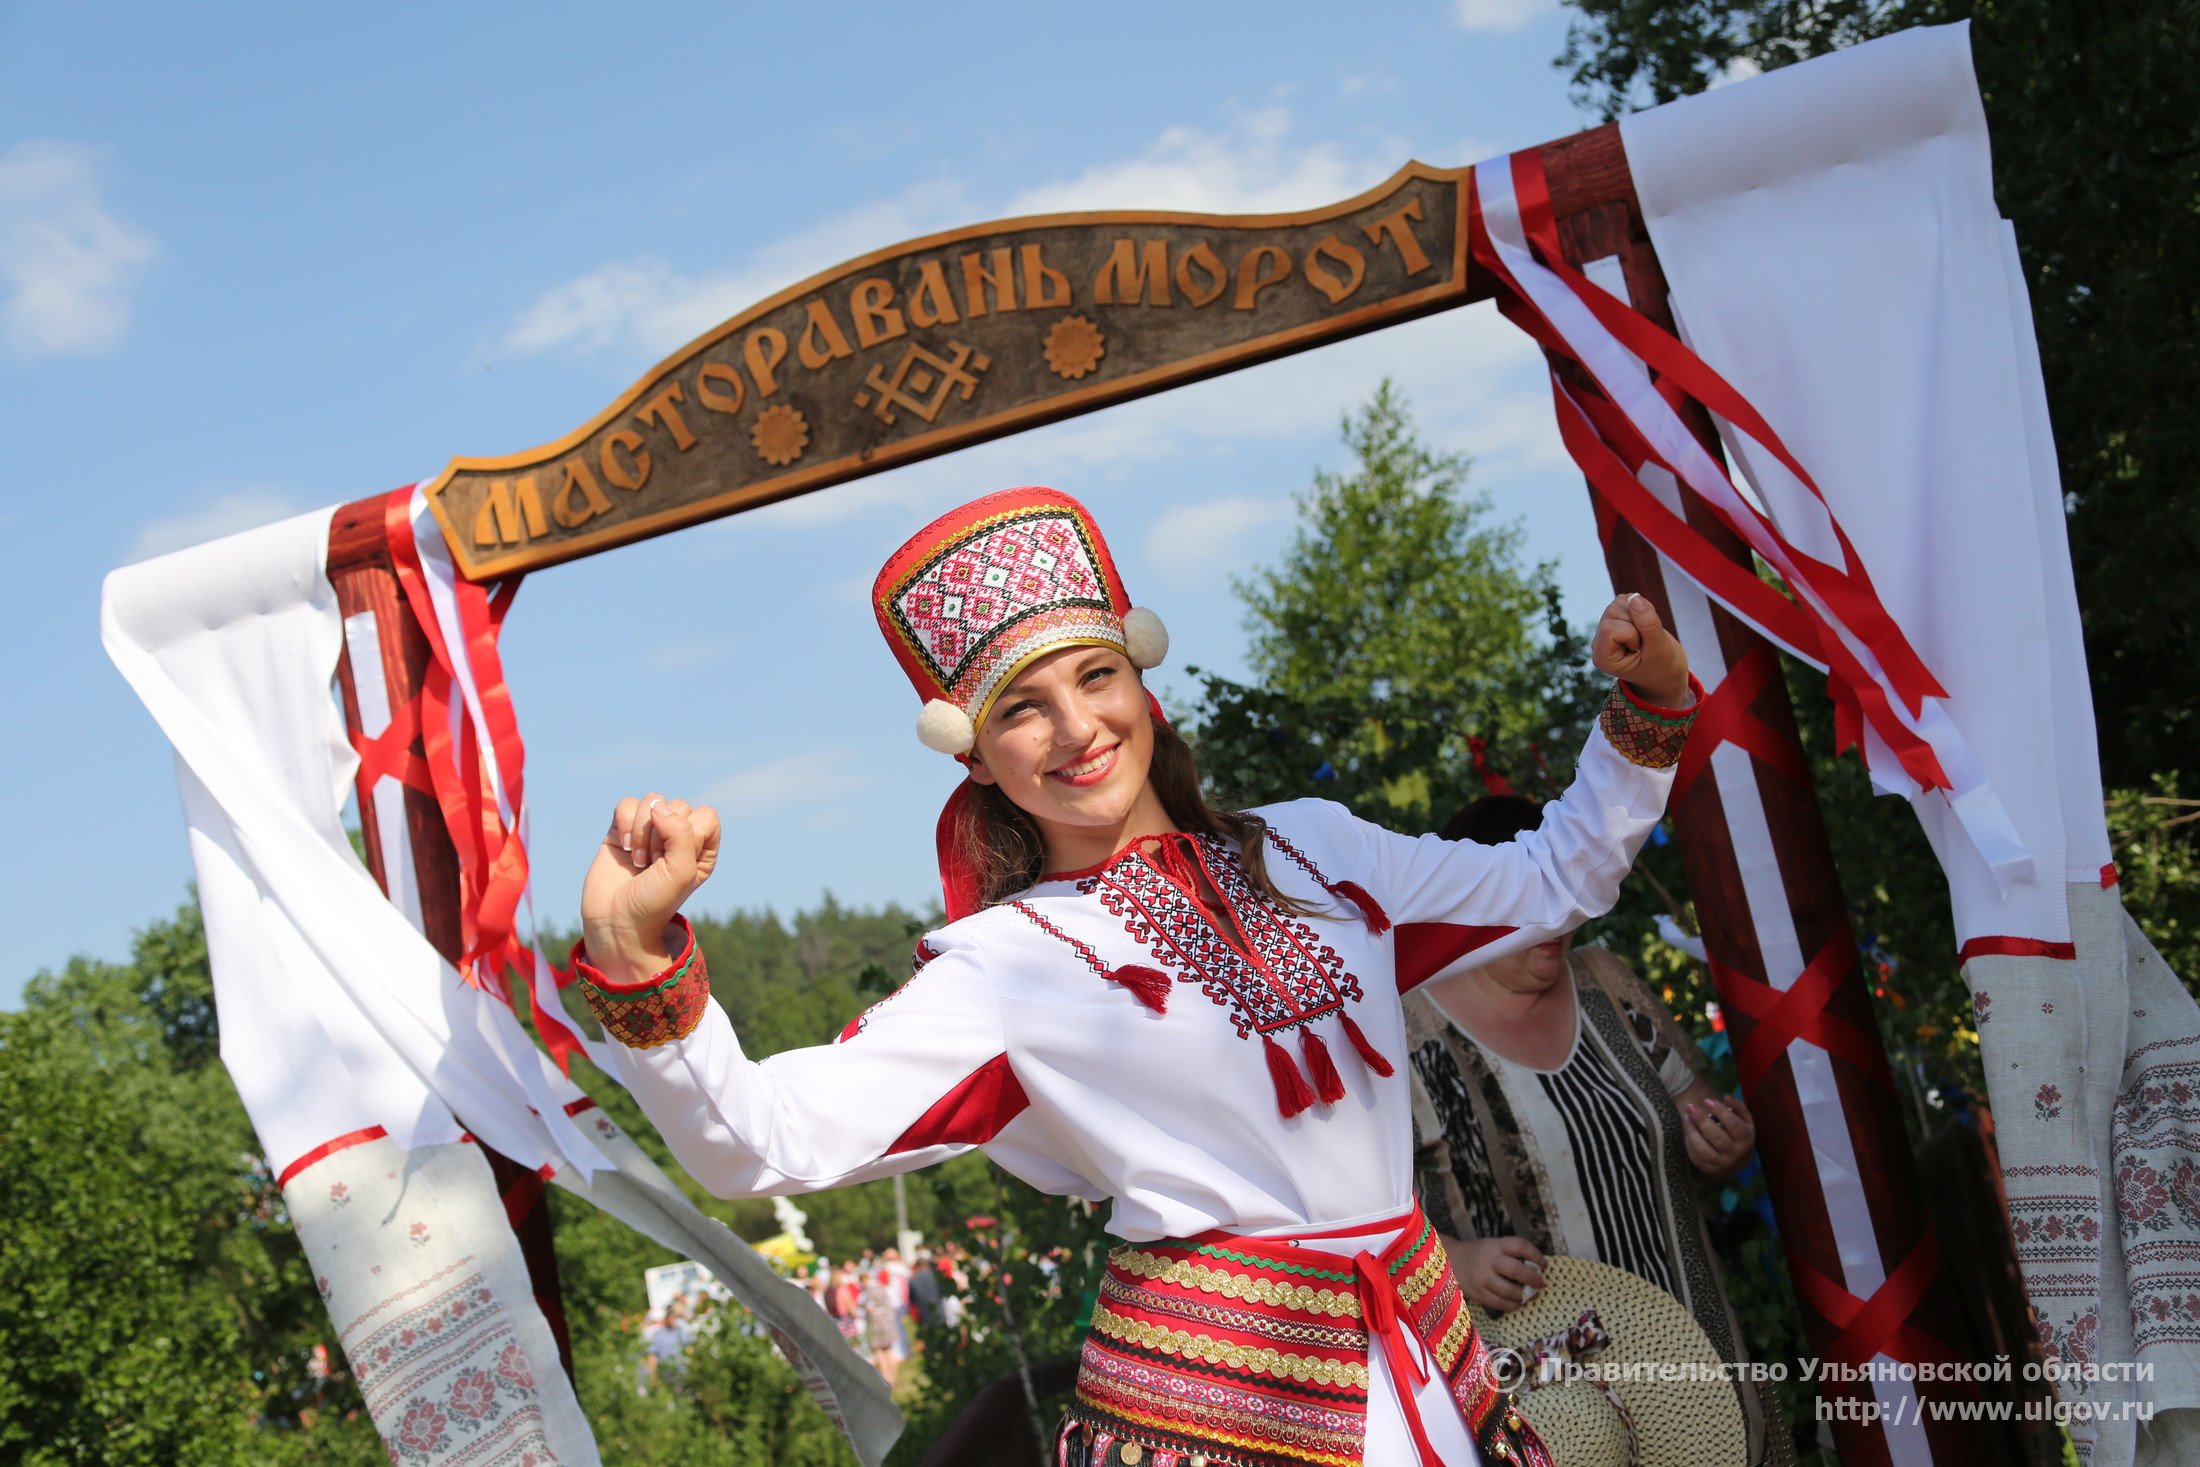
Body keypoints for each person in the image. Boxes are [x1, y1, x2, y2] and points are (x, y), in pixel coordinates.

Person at [572, 486, 1698, 1467]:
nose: (1075, 728)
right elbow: (760, 1141)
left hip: (1428, 1370)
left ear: (1140, 683)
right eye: (1021, 707)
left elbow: (1559, 874)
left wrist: (1647, 710)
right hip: (1214, 1420)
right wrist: (636, 959)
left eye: (1094, 677)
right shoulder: (1004, 964)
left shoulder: (1321, 851)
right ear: (976, 755)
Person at [1408, 792, 1787, 1466]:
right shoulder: (1408, 1031)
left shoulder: (1607, 984)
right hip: (1543, 1399)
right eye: (1529, 897)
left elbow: (1697, 1111)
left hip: (1691, 1364)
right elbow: (1363, 1214)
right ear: (1468, 901)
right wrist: (1457, 1263)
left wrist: (1721, 1143)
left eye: (1567, 892)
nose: (1556, 917)